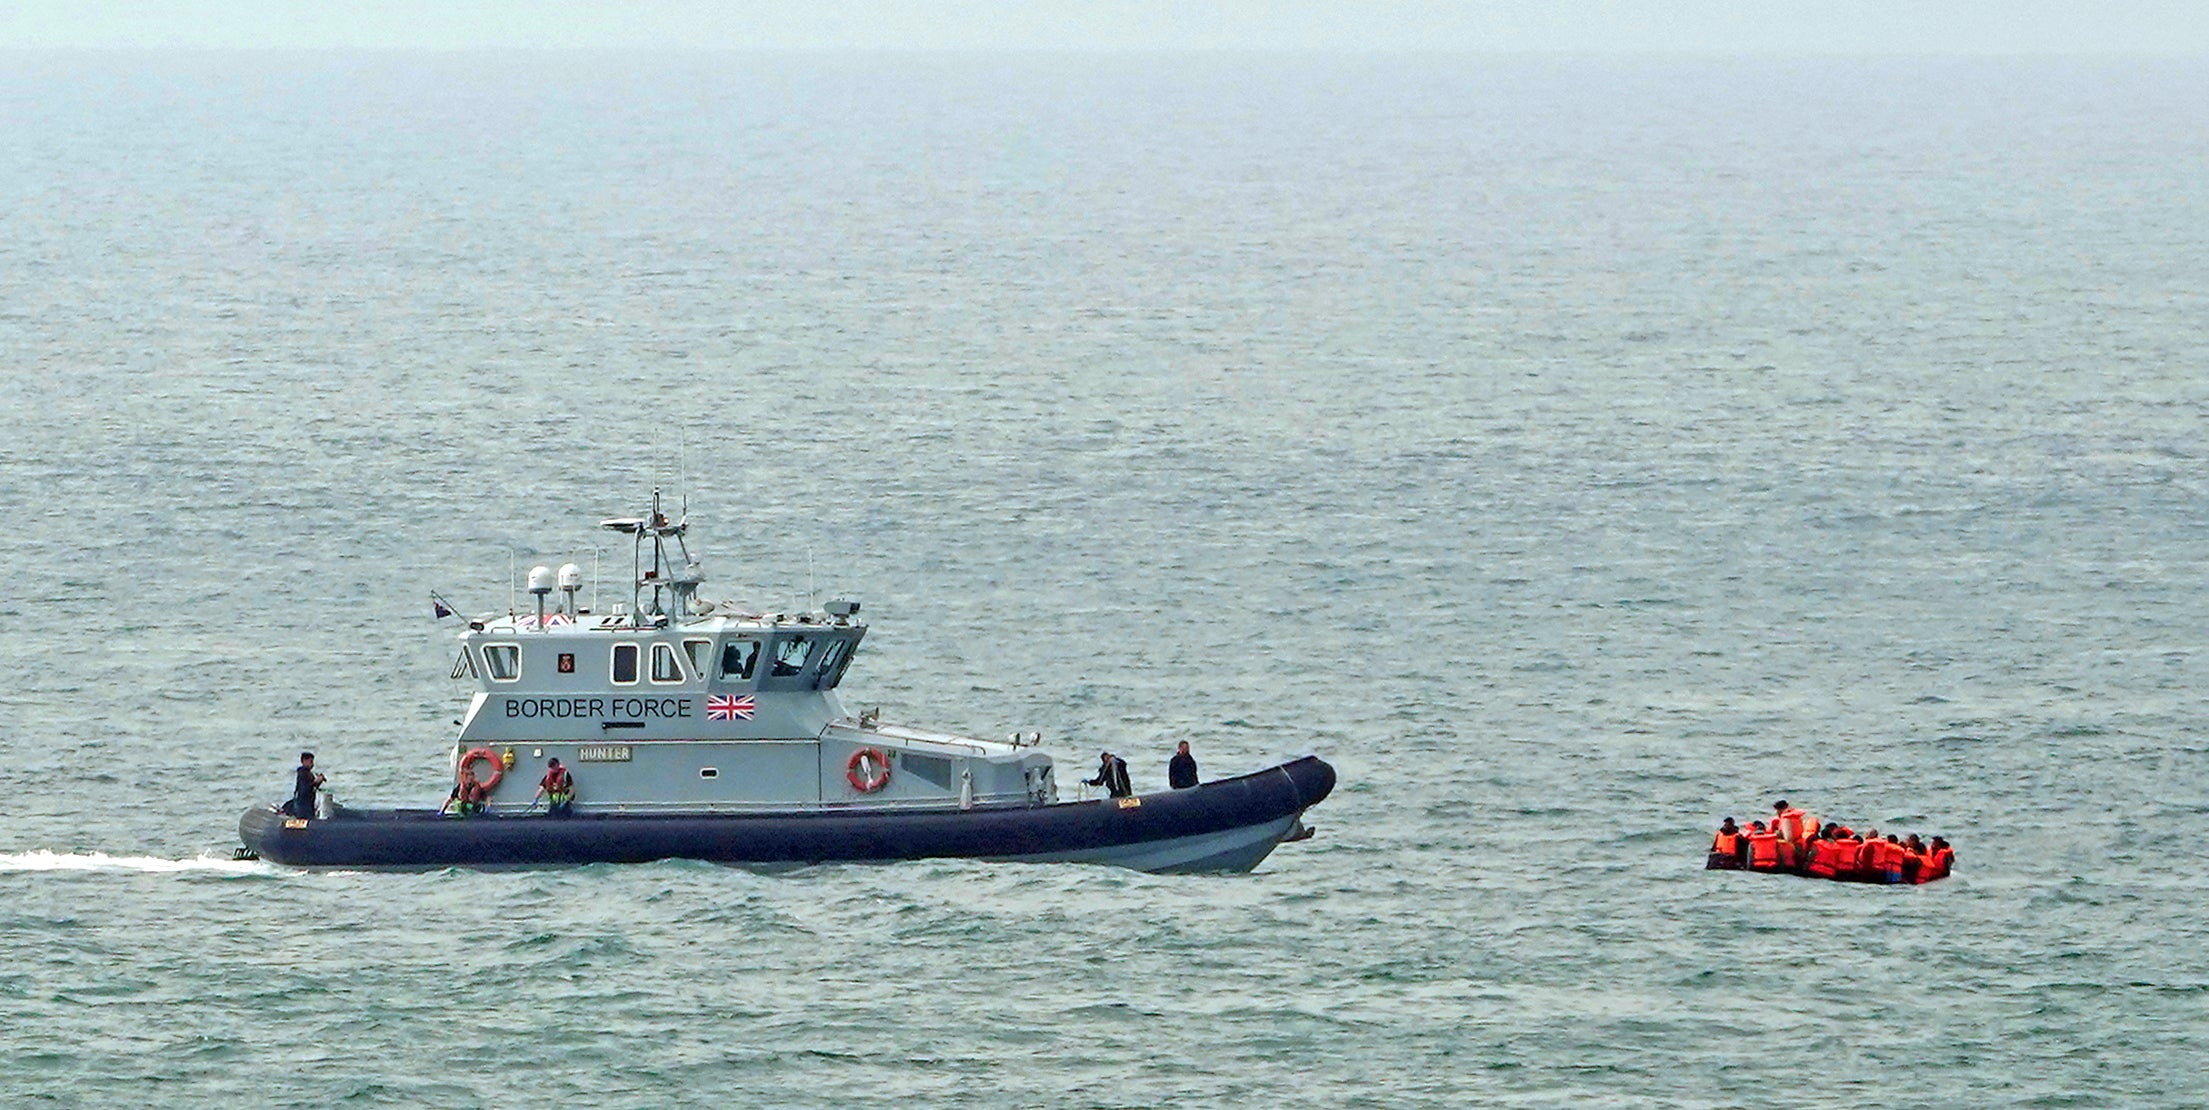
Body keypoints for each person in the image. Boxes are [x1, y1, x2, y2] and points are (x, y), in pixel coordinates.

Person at [284, 751, 326, 819]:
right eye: (311, 762)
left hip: (309, 803)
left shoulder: (309, 774)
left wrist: (318, 782)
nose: (312, 764)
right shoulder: (302, 773)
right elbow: (305, 789)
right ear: (304, 761)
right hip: (303, 805)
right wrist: (315, 782)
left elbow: (312, 788)